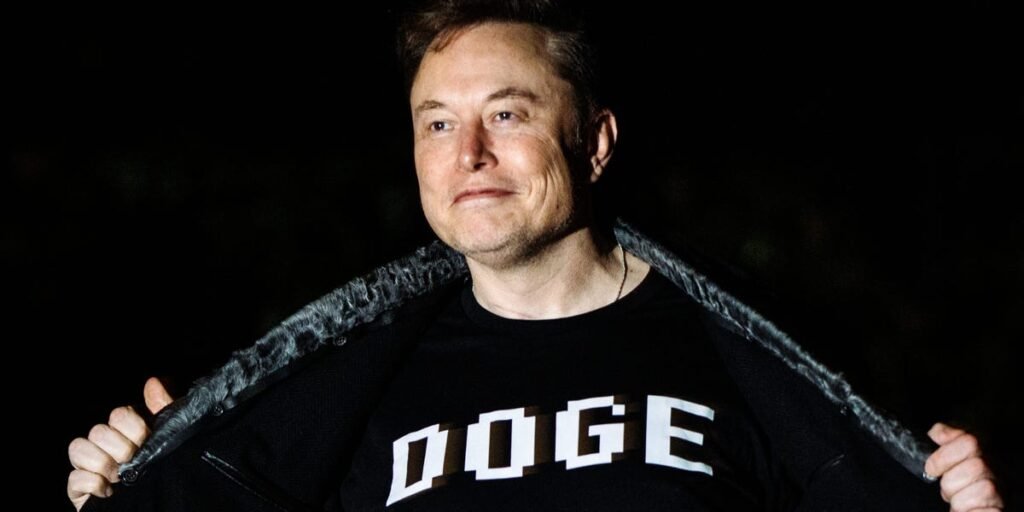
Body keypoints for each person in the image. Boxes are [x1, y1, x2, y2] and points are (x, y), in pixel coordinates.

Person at [67, 0, 1003, 510]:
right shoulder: (340, 391)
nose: (468, 155)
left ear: (594, 143)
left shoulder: (752, 356)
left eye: (507, 114)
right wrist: (126, 492)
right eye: (438, 123)